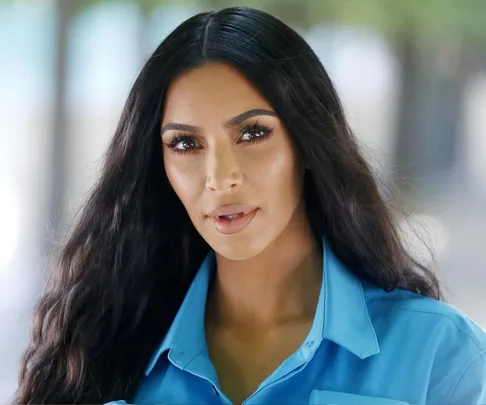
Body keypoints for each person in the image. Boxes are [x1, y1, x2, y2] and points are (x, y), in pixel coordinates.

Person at [15, 6, 486, 405]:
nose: (221, 177)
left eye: (253, 133)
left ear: (306, 143)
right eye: (185, 144)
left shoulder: (439, 354)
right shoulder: (99, 353)